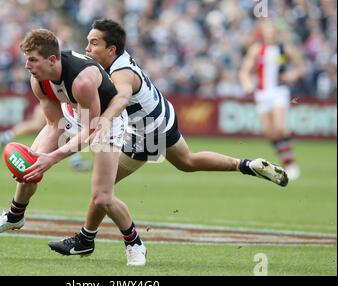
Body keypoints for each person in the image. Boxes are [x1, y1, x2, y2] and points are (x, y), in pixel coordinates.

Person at [46, 19, 289, 261]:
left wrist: (104, 119)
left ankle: (89, 239)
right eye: (88, 42)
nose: (87, 48)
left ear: (111, 49)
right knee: (188, 162)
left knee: (102, 190)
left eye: (94, 43)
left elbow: (121, 98)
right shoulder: (112, 61)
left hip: (146, 131)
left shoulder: (120, 73)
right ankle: (245, 165)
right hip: (162, 115)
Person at [0, 28, 147, 266]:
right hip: (72, 113)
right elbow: (54, 123)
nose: (27, 66)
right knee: (30, 166)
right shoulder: (38, 79)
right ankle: (15, 216)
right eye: (26, 59)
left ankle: (134, 243)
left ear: (52, 60)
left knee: (102, 197)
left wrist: (53, 157)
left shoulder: (82, 81)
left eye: (33, 60)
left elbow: (91, 130)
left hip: (104, 123)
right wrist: (40, 160)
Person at [239, 19, 304, 180]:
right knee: (269, 132)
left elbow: (299, 68)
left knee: (280, 128)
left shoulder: (284, 48)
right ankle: (285, 159)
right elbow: (244, 71)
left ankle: (290, 163)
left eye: (272, 30)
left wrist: (292, 75)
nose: (269, 33)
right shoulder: (257, 49)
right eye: (266, 30)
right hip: (262, 93)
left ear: (276, 31)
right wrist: (247, 84)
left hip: (279, 91)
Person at [0, 103, 92, 171]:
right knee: (37, 125)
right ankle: (3, 137)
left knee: (70, 128)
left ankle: (76, 160)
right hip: (56, 103)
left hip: (61, 103)